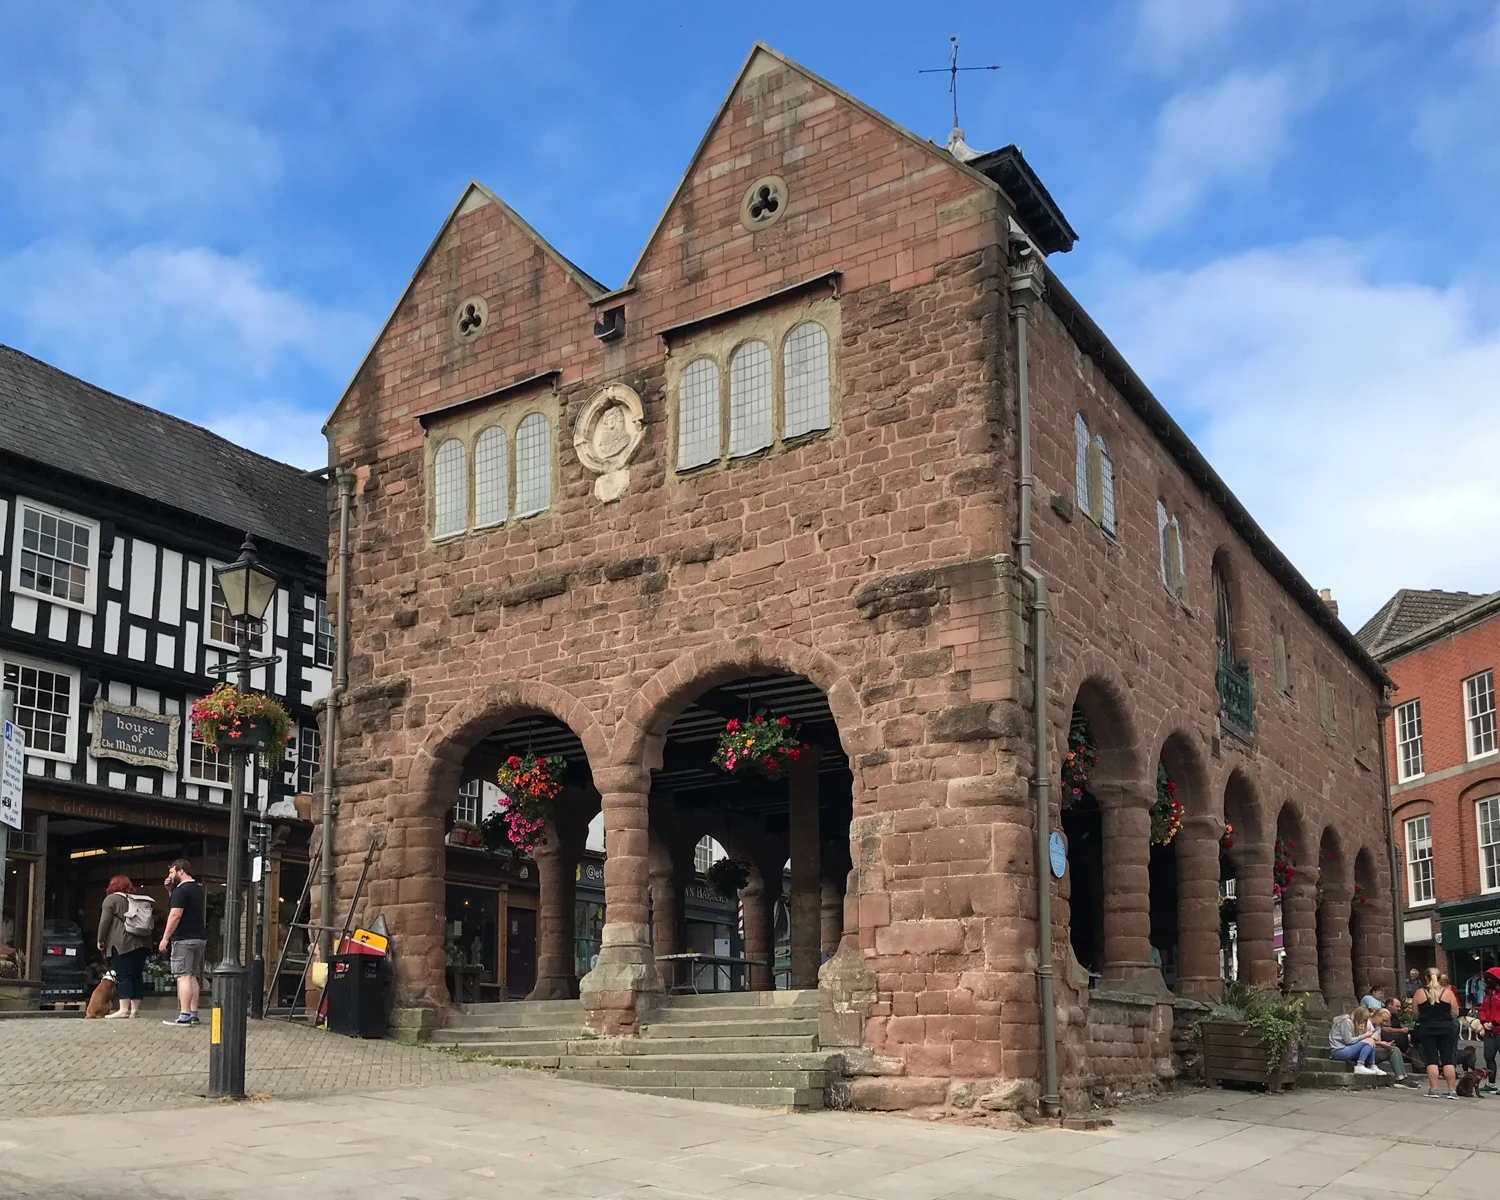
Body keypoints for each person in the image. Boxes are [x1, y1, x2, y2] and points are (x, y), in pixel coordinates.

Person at [96, 875, 151, 1018]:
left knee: (123, 975)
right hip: (142, 942)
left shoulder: (111, 899)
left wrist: (100, 940)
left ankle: (123, 1009)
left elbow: (104, 922)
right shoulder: (136, 900)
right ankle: (135, 1010)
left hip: (122, 943)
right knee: (137, 975)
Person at [158, 860, 205, 1027]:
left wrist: (165, 938)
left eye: (172, 873)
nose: (169, 876)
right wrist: (171, 890)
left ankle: (184, 1014)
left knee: (182, 976)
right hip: (198, 937)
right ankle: (193, 1013)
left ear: (181, 871)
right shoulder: (197, 889)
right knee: (192, 976)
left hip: (183, 939)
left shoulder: (181, 890)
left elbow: (175, 915)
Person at [1413, 967, 1461, 1098]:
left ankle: (1433, 1089)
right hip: (1446, 1028)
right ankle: (1452, 1090)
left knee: (1432, 1059)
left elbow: (1415, 1014)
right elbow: (1455, 1013)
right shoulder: (1448, 993)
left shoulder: (1419, 993)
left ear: (1426, 978)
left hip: (1427, 1028)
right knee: (1448, 1059)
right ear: (1440, 978)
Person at [1370, 1007, 1421, 1088]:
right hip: (1368, 1051)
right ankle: (1400, 1078)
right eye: (1383, 1020)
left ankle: (1404, 1076)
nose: (1384, 1023)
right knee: (1393, 1050)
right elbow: (1366, 1042)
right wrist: (1380, 1043)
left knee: (1395, 1049)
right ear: (1376, 1016)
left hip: (1375, 1049)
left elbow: (1378, 1042)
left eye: (1386, 1021)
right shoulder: (1367, 1025)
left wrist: (1386, 1044)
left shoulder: (1378, 1028)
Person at [1328, 1006, 1383, 1076]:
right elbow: (1348, 1041)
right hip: (1338, 1051)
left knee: (1371, 1041)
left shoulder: (1354, 1023)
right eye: (1364, 1019)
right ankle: (1360, 1065)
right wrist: (1364, 1036)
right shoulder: (1347, 1022)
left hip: (1347, 1049)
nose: (1364, 1022)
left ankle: (1372, 1065)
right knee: (1369, 1040)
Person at [1476, 967, 1500, 1095]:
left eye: (1489, 978)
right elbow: (1483, 1009)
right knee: (1489, 1057)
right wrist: (1484, 1022)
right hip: (1489, 1032)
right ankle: (1491, 1084)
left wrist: (1494, 1022)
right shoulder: (1487, 994)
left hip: (1498, 1029)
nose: (1486, 981)